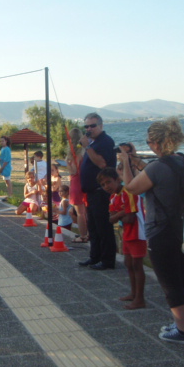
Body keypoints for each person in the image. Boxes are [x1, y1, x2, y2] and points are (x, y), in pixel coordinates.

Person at [121, 118, 184, 343]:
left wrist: (125, 163)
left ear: (155, 142)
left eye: (148, 142)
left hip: (162, 231)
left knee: (170, 282)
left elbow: (131, 187)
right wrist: (137, 160)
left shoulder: (157, 167)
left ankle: (183, 331)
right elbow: (159, 173)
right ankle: (183, 323)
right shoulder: (183, 161)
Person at [99, 167, 147, 310]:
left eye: (109, 182)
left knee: (137, 265)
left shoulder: (128, 192)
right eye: (103, 184)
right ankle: (133, 293)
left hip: (137, 232)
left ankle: (140, 299)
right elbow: (111, 219)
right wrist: (122, 213)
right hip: (126, 232)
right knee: (128, 263)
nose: (106, 186)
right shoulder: (113, 197)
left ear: (117, 179)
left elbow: (130, 218)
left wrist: (118, 214)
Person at [78, 112, 117, 270]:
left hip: (101, 191)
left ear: (100, 125)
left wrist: (87, 147)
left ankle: (107, 260)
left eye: (92, 126)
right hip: (91, 192)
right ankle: (95, 257)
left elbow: (102, 164)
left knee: (103, 227)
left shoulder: (105, 141)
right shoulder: (93, 143)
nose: (89, 129)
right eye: (86, 126)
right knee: (93, 227)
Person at [67, 128, 89, 244]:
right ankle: (88, 233)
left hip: (76, 183)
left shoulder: (74, 155)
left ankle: (83, 235)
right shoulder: (85, 151)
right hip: (85, 182)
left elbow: (73, 171)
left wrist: (68, 164)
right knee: (86, 212)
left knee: (80, 213)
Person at [0, 136, 12, 201]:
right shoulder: (2, 149)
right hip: (2, 166)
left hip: (6, 167)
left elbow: (7, 160)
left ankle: (10, 195)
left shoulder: (7, 149)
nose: (1, 142)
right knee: (6, 181)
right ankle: (9, 194)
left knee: (8, 181)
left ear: (6, 141)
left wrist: (2, 168)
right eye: (0, 141)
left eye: (3, 141)